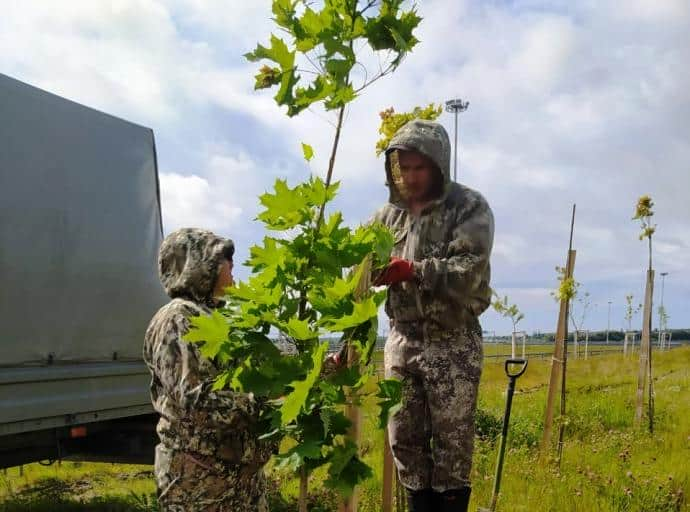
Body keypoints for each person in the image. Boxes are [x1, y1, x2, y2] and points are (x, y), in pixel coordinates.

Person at [372, 119, 494, 512]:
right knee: (403, 441)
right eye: (402, 168)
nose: (409, 176)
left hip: (451, 340)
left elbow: (469, 271)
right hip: (401, 339)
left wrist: (413, 270)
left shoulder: (468, 207)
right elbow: (358, 284)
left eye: (418, 168)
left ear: (438, 164)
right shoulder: (385, 219)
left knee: (451, 446)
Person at [144, 228, 273, 511]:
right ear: (200, 266)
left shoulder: (220, 318)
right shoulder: (178, 319)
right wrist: (261, 406)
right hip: (201, 480)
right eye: (223, 258)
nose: (231, 265)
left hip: (238, 478)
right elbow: (195, 401)